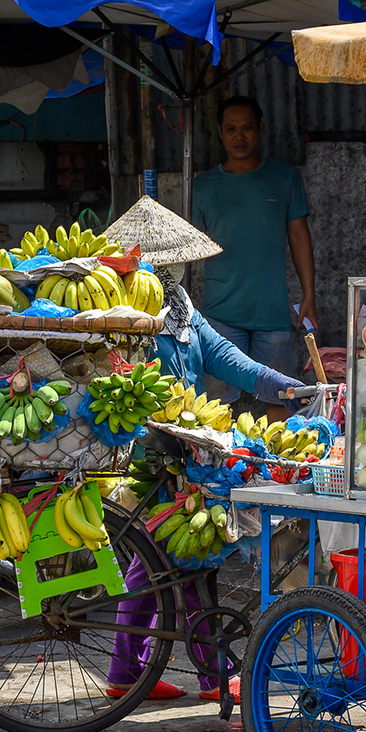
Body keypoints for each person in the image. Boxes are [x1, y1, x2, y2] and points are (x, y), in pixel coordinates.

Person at [106, 242, 307, 704]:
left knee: (177, 562)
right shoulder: (122, 313)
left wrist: (280, 385)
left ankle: (142, 670)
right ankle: (201, 674)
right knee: (168, 560)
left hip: (191, 448)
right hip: (149, 453)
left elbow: (226, 358)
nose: (170, 270)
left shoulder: (182, 310)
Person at [192, 95, 317, 421]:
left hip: (272, 312)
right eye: (231, 129)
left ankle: (278, 469)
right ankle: (217, 466)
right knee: (215, 406)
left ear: (260, 129)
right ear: (220, 132)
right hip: (219, 315)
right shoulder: (202, 187)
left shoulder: (285, 177)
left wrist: (309, 296)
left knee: (280, 398)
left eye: (246, 128)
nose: (239, 136)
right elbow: (189, 246)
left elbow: (300, 236)